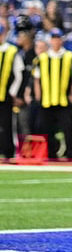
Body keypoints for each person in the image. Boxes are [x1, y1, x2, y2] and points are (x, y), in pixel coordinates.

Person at [32, 29, 72, 159]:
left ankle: (71, 154)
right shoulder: (42, 58)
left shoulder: (69, 56)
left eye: (58, 38)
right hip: (47, 99)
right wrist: (38, 96)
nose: (56, 41)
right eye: (54, 38)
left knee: (68, 128)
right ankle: (50, 154)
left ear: (61, 40)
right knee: (47, 129)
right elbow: (37, 79)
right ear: (50, 40)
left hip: (63, 98)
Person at [0, 24, 24, 160]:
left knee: (8, 125)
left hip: (5, 95)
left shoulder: (11, 50)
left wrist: (13, 92)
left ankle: (9, 152)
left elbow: (19, 74)